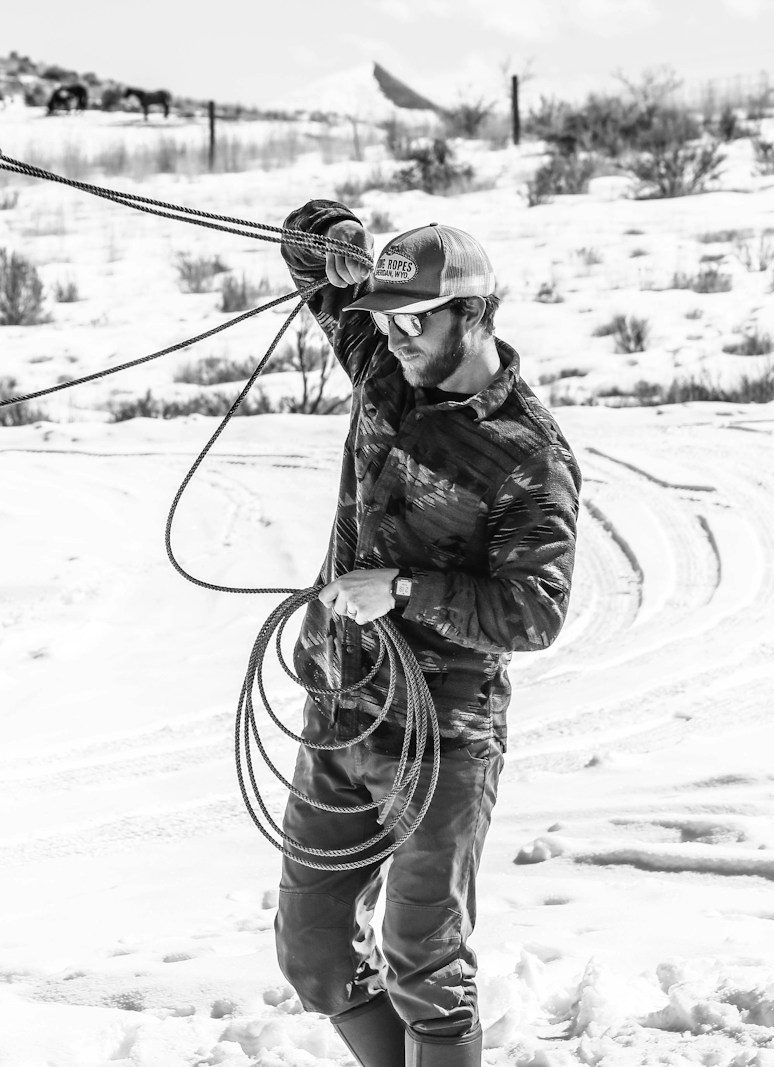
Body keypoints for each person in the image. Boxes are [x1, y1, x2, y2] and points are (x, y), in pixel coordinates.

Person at [273, 201, 583, 1067]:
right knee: (315, 954)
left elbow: (535, 610)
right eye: (383, 317)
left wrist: (404, 587)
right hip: (342, 709)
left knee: (425, 961)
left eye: (415, 317)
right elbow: (304, 246)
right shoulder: (385, 363)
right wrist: (334, 241)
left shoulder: (527, 453)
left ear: (475, 314)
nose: (396, 335)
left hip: (443, 737)